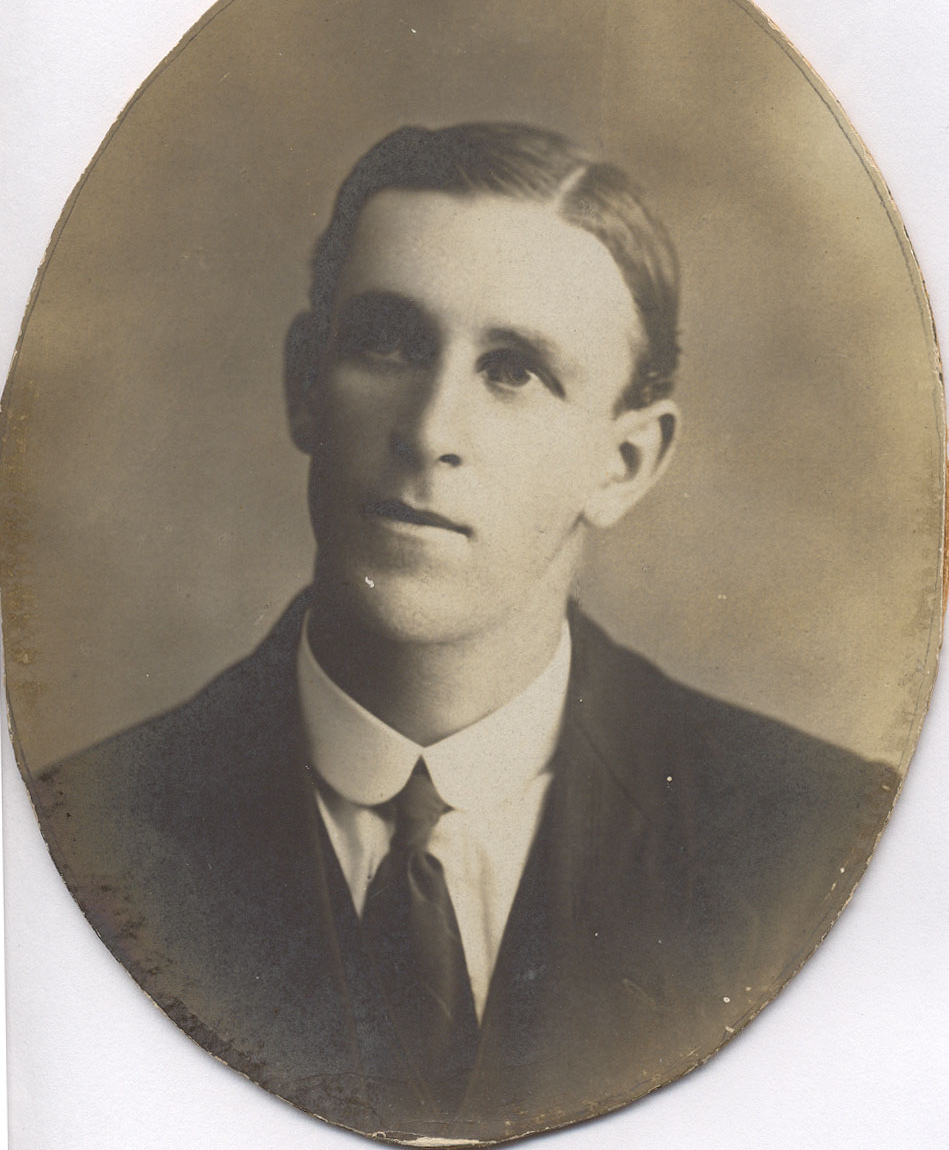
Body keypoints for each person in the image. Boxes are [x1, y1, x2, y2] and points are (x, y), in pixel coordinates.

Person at [34, 123, 896, 1144]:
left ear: (623, 464)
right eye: (388, 344)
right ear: (304, 383)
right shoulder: (80, 835)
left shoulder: (820, 844)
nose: (430, 430)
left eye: (514, 370)